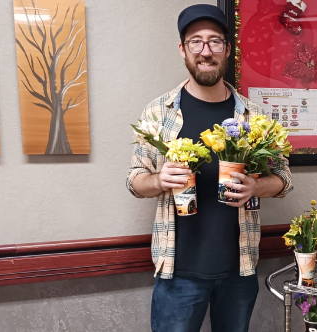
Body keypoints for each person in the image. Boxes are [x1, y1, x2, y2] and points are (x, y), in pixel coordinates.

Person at [125, 5, 293, 332]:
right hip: (177, 272)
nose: (206, 52)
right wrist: (160, 179)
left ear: (227, 49)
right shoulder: (159, 112)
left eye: (215, 42)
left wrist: (256, 187)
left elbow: (284, 178)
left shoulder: (254, 117)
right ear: (183, 49)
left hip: (239, 270)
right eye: (196, 42)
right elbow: (134, 181)